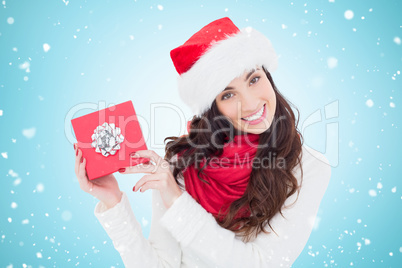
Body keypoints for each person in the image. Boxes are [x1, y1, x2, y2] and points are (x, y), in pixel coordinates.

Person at [73, 17, 332, 267]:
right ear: (214, 107)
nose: (251, 103)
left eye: (254, 79)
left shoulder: (309, 168)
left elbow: (262, 264)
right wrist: (113, 202)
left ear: (268, 76)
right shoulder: (181, 163)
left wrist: (177, 203)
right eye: (228, 94)